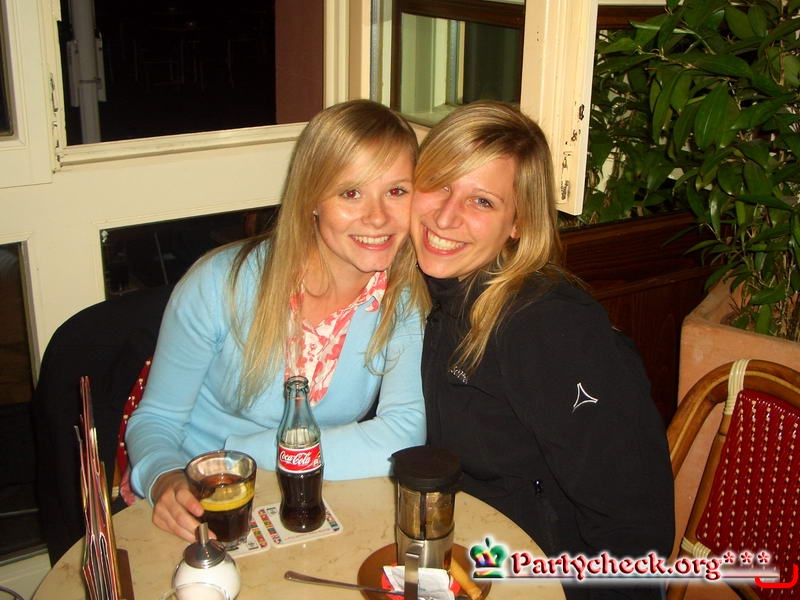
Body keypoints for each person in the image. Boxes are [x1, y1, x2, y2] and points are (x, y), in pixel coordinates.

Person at [126, 99, 427, 542]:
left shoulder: (402, 300)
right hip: (198, 506)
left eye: (397, 191)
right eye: (351, 193)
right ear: (311, 199)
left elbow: (402, 437)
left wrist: (240, 454)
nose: (378, 216)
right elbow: (155, 420)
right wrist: (164, 478)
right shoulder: (220, 284)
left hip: (298, 502)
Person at [409, 101, 674, 599]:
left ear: (518, 222)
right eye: (439, 184)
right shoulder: (427, 295)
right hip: (470, 555)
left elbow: (630, 521)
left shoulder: (547, 326)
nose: (445, 216)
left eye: (481, 201)